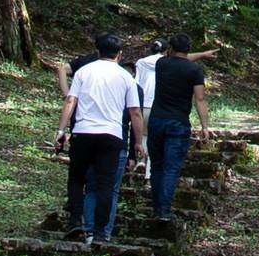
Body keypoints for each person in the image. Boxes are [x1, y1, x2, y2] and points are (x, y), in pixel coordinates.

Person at [57, 32, 142, 243]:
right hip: (111, 135)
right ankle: (100, 233)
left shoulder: (84, 71)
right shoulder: (126, 77)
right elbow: (135, 112)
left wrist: (60, 130)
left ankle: (76, 221)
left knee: (77, 179)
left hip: (83, 131)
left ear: (98, 51)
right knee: (106, 184)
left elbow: (70, 101)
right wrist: (139, 142)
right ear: (120, 55)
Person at [143, 27, 210, 225]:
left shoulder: (162, 64)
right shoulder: (194, 71)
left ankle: (157, 207)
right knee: (171, 167)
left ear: (170, 48)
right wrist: (205, 126)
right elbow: (199, 98)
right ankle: (164, 210)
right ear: (188, 49)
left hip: (156, 120)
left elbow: (176, 59)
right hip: (178, 122)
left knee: (157, 165)